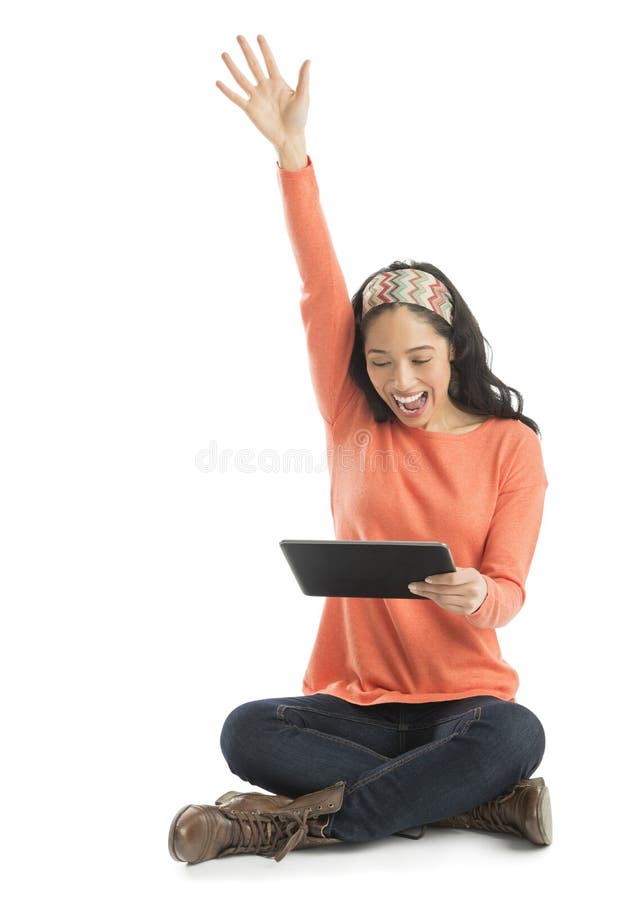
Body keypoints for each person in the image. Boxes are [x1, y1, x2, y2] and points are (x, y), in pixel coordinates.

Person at [168, 33, 552, 865]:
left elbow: (511, 590)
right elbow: (317, 288)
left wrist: (474, 595)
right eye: (380, 363)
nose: (400, 381)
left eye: (418, 359)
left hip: (466, 705)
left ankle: (270, 824)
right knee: (247, 730)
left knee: (515, 734)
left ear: (454, 348)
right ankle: (471, 807)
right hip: (354, 704)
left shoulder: (510, 446)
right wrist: (292, 157)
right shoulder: (352, 418)